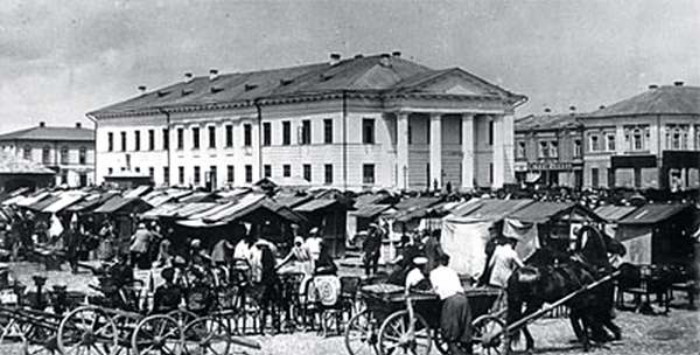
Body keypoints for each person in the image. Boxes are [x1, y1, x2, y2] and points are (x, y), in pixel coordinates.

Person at [430, 254, 472, 355]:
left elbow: (435, 290)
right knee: (465, 332)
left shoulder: (434, 273)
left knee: (450, 336)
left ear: (437, 262)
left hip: (451, 301)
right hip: (463, 299)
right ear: (447, 262)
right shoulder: (452, 272)